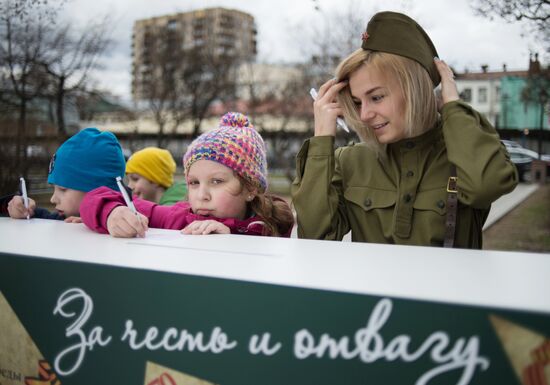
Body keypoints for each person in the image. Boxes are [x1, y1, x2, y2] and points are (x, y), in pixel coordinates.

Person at [291, 11, 518, 248]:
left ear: (414, 89)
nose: (364, 114)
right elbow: (314, 239)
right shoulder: (352, 161)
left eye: (376, 97)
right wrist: (322, 140)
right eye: (358, 102)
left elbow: (486, 186)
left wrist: (452, 104)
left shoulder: (464, 157)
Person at [80, 112, 294, 238]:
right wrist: (112, 214)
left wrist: (232, 235)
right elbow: (94, 197)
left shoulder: (272, 227)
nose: (202, 195)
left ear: (251, 188)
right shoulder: (179, 218)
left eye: (216, 181)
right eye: (193, 182)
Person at [6, 128, 126, 222]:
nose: (52, 199)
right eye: (54, 188)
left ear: (98, 191)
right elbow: (45, 217)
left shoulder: (129, 223)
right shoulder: (62, 219)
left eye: (63, 189)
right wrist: (23, 209)